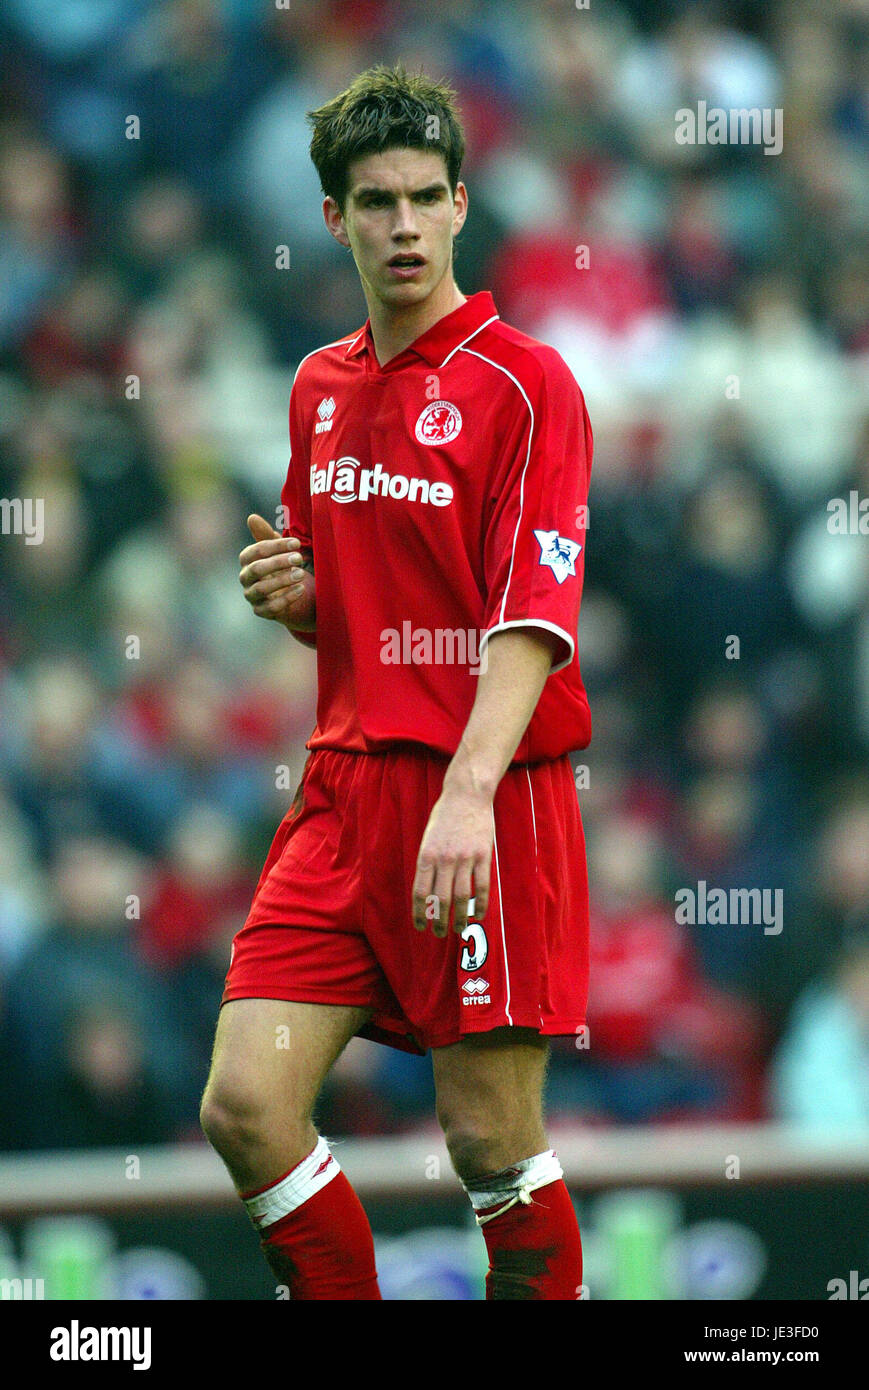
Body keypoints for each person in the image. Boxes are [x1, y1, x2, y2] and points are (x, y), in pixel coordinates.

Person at [200, 63, 594, 1301]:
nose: (404, 225)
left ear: (464, 205)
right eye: (376, 202)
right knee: (244, 1105)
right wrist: (302, 603)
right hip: (342, 793)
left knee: (488, 1144)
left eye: (427, 197)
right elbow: (360, 607)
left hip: (481, 793)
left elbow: (529, 615)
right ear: (334, 218)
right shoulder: (320, 386)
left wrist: (469, 791)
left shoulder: (527, 386)